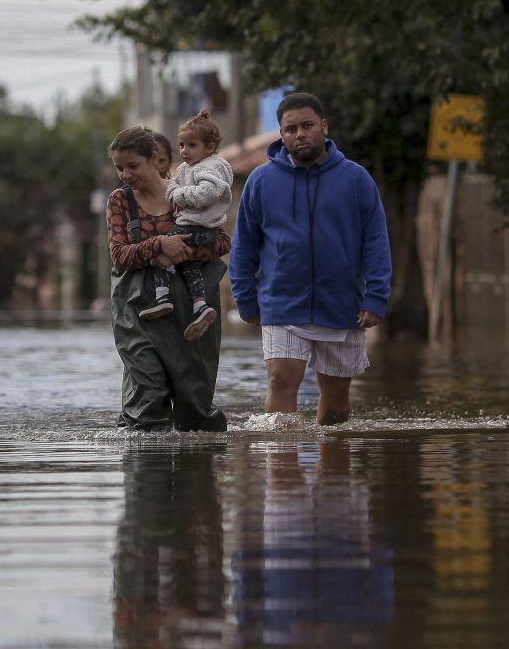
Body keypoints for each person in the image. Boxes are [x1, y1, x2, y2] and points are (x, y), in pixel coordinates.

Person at [229, 92, 392, 426]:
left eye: (307, 125)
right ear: (281, 134)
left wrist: (376, 296)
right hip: (281, 302)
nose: (299, 134)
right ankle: (282, 471)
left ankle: (332, 475)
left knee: (335, 399)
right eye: (290, 129)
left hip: (342, 303)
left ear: (324, 126)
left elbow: (376, 241)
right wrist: (245, 298)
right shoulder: (261, 181)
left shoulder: (356, 179)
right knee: (280, 380)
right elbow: (244, 244)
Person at [106, 126, 231, 432]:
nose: (125, 175)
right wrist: (159, 245)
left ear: (155, 159)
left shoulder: (184, 194)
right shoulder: (119, 201)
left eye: (133, 166)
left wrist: (184, 251)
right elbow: (119, 256)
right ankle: (146, 468)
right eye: (119, 168)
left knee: (194, 405)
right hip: (137, 313)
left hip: (190, 311)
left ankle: (198, 470)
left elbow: (221, 242)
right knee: (146, 394)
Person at [142, 109, 235, 342]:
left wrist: (178, 194)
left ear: (210, 148)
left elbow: (207, 192)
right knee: (189, 266)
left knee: (159, 250)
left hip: (196, 228)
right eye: (182, 145)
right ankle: (201, 307)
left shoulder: (210, 166)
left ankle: (163, 297)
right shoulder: (187, 168)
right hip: (200, 230)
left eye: (192, 145)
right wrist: (174, 189)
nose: (185, 151)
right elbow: (173, 186)